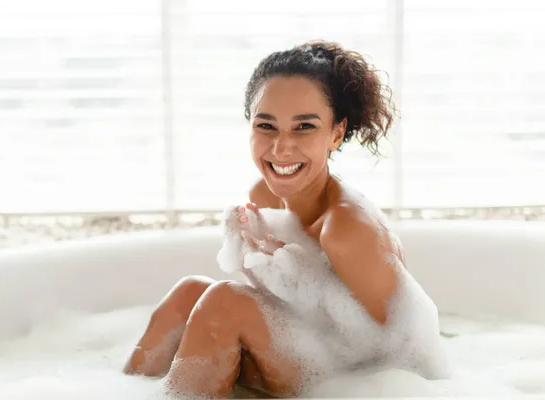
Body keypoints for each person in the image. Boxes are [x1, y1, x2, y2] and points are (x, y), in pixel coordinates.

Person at [123, 40, 429, 398]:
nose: (281, 148)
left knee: (224, 301)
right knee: (190, 291)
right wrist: (276, 271)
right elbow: (301, 310)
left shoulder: (348, 230)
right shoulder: (265, 196)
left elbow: (405, 361)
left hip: (353, 383)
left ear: (336, 133)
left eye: (304, 127)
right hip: (314, 355)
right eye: (266, 126)